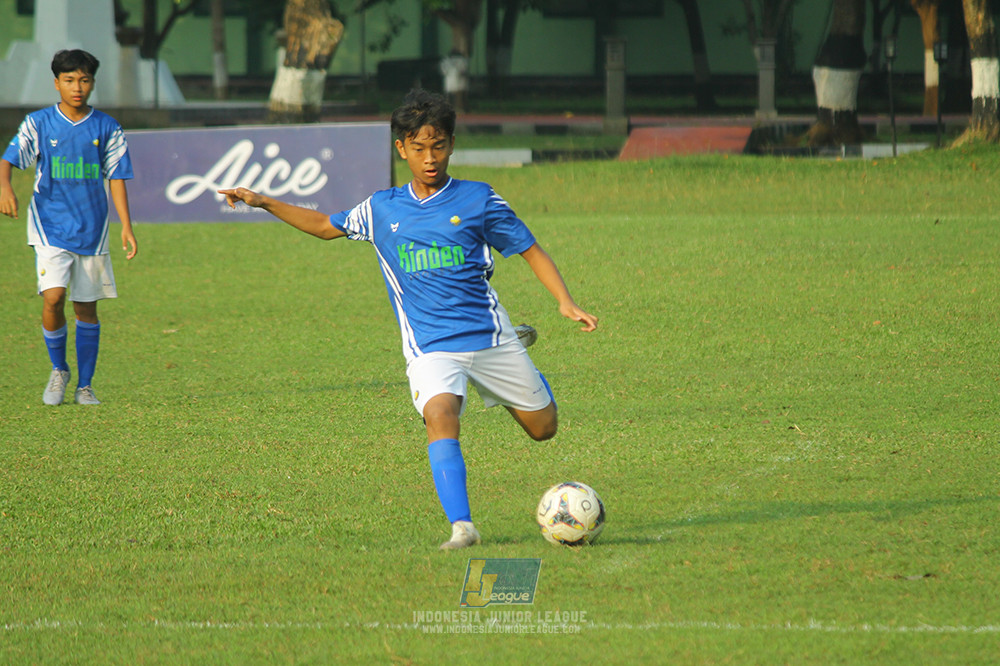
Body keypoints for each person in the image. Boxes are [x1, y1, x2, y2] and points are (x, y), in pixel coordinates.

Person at [219, 89, 597, 550]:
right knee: (440, 414)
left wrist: (565, 300)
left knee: (544, 429)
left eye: (438, 146)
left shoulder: (479, 200)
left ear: (452, 144)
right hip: (431, 347)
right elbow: (323, 227)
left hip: (490, 338)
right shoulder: (382, 209)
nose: (429, 158)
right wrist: (263, 201)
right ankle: (463, 528)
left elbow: (529, 248)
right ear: (401, 149)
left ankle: (515, 350)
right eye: (418, 148)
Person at [0, 49, 138, 406]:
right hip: (49, 226)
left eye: (85, 79)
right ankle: (59, 369)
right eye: (70, 80)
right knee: (54, 296)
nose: (77, 87)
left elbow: (117, 177)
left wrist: (125, 225)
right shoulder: (39, 123)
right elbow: (9, 159)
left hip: (92, 229)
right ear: (57, 82)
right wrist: (5, 188)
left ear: (93, 82)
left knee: (86, 308)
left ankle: (85, 386)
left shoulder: (107, 127)